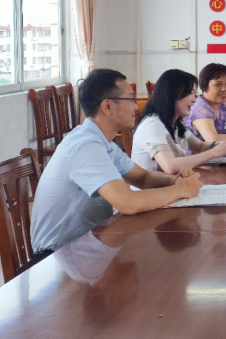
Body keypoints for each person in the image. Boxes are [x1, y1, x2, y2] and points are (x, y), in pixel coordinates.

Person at [30, 69, 203, 254]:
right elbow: (127, 203)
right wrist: (179, 190)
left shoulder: (103, 142)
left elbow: (143, 177)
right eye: (131, 99)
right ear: (108, 106)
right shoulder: (85, 146)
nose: (136, 107)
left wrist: (175, 180)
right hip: (58, 254)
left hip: (91, 242)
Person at [131, 69, 226, 174]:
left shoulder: (176, 124)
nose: (195, 99)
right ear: (172, 94)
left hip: (173, 184)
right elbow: (170, 166)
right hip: (155, 187)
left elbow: (200, 147)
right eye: (190, 93)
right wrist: (214, 153)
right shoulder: (152, 125)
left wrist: (222, 145)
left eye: (195, 93)